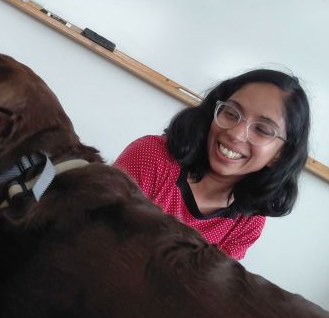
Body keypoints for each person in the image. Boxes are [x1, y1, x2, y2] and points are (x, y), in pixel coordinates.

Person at [114, 68, 310, 260]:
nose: (235, 133)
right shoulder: (152, 156)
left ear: (280, 154)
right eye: (232, 113)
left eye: (262, 130)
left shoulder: (248, 222)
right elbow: (98, 235)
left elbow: (204, 285)